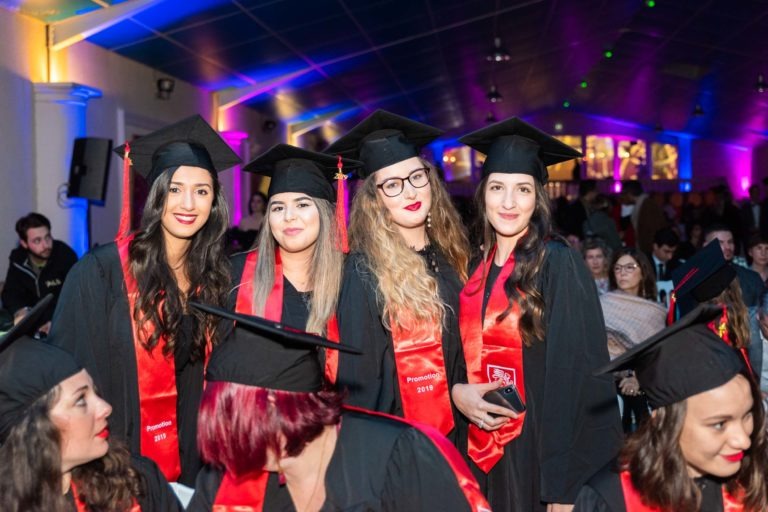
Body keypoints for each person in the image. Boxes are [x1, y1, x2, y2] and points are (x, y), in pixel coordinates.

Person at [49, 115, 241, 486]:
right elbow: (69, 372)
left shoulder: (216, 277)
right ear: (155, 194)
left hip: (196, 458)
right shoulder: (101, 272)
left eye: (202, 191)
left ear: (214, 200)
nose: (188, 203)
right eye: (174, 189)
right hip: (118, 456)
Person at [456, 117, 622, 511]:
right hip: (480, 440)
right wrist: (458, 392)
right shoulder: (473, 268)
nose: (509, 203)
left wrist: (562, 488)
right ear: (482, 194)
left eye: (523, 189)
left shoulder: (557, 262)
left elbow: (576, 374)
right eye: (497, 187)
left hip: (537, 449)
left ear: (538, 198)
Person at [186, 304, 490, 512]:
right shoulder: (223, 480)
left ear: (280, 408)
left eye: (235, 425)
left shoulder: (397, 455)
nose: (229, 445)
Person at [325, 110, 472, 447]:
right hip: (396, 443)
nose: (409, 192)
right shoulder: (363, 273)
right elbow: (361, 381)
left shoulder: (455, 259)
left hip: (462, 436)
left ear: (430, 179)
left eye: (416, 177)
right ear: (375, 200)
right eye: (392, 185)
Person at [573, 305, 768, 511]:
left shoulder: (754, 474)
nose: (743, 440)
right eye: (719, 424)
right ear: (662, 422)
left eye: (747, 415)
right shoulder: (612, 499)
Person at [0, 296, 181, 511]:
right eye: (80, 400)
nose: (106, 407)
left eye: (94, 392)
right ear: (31, 430)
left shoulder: (137, 482)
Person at [231, 144, 361, 381]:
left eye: (302, 204)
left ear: (325, 212)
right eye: (278, 207)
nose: (288, 216)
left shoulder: (353, 279)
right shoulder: (236, 275)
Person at [601, 248, 666, 432]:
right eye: (618, 268)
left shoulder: (654, 311)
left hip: (643, 375)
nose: (622, 273)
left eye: (630, 267)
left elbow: (655, 353)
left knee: (642, 395)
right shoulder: (604, 303)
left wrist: (637, 378)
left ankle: (645, 452)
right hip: (607, 373)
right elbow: (598, 347)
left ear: (643, 271)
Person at [1, 212, 77, 327]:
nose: (46, 245)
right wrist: (20, 311)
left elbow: (75, 297)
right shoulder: (18, 259)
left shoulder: (65, 255)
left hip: (62, 323)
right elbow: (11, 293)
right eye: (37, 241)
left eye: (47, 237)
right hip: (31, 326)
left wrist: (54, 321)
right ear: (24, 243)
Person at [703, 223, 764, 308]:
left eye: (730, 242)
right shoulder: (694, 280)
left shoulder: (751, 278)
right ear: (706, 246)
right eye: (720, 243)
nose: (727, 247)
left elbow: (762, 313)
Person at [620, 180, 667, 255]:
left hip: (649, 249)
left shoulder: (647, 205)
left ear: (629, 194)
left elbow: (651, 230)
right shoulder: (643, 204)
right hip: (647, 248)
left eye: (624, 194)